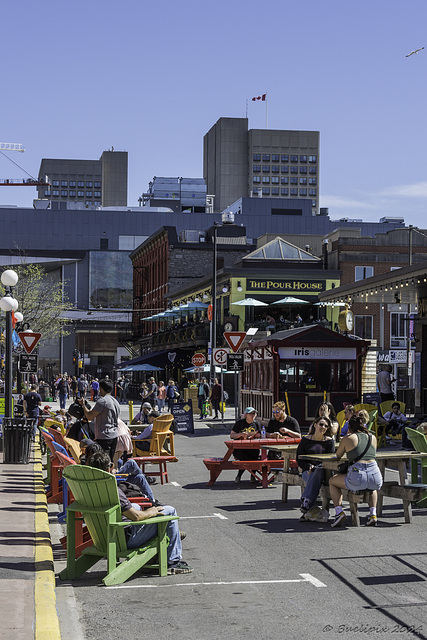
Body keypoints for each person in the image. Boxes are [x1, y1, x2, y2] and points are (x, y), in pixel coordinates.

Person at [89, 450, 193, 574]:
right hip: (123, 539)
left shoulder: (89, 489)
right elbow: (136, 517)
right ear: (109, 468)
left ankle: (170, 534)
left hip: (102, 537)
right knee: (170, 511)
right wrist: (152, 511)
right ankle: (173, 561)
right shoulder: (112, 490)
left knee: (136, 506)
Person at [329, 415, 383, 527]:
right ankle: (373, 514)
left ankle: (339, 512)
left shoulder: (348, 438)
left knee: (332, 481)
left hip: (357, 476)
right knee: (372, 487)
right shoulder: (372, 437)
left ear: (349, 427)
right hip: (375, 475)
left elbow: (338, 455)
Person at [296, 416, 335, 515]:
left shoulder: (329, 441)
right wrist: (308, 466)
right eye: (321, 424)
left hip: (324, 471)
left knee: (318, 471)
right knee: (313, 475)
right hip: (308, 471)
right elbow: (299, 459)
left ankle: (306, 499)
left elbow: (330, 460)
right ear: (315, 425)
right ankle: (307, 502)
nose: (323, 427)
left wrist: (317, 467)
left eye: (326, 426)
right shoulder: (305, 440)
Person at [78, 379, 120, 461]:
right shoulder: (115, 401)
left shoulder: (102, 401)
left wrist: (83, 406)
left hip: (104, 436)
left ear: (101, 388)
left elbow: (90, 416)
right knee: (110, 461)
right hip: (114, 435)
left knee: (102, 462)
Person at [230, 407, 261, 483]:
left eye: (255, 413)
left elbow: (260, 434)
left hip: (253, 447)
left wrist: (256, 435)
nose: (253, 415)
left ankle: (253, 476)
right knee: (244, 459)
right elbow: (232, 435)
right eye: (251, 414)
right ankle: (239, 476)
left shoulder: (257, 424)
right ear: (246, 415)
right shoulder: (240, 423)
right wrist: (241, 434)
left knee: (255, 457)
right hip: (240, 448)